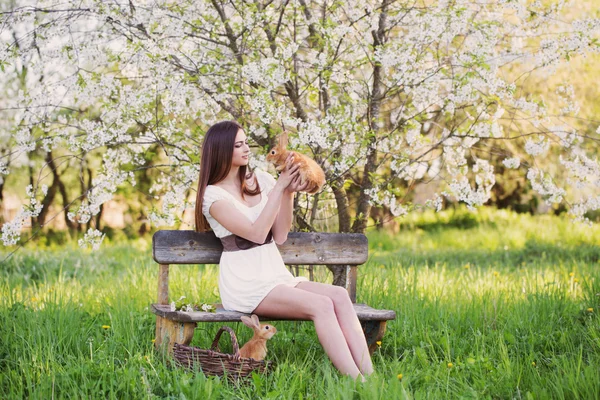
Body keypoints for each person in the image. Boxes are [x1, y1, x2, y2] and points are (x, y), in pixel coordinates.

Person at [194, 120, 373, 380]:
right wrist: (279, 186)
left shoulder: (260, 180)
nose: (246, 149)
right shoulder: (213, 197)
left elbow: (279, 235)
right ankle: (358, 383)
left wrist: (287, 192)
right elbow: (255, 233)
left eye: (246, 143)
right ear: (221, 151)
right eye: (237, 145)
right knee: (321, 305)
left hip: (274, 273)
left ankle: (372, 378)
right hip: (246, 281)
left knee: (339, 295)